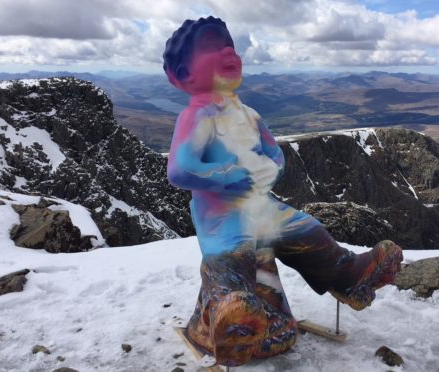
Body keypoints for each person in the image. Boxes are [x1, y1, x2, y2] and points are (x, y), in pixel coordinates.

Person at [163, 16, 403, 367]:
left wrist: (271, 167)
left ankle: (349, 274)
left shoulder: (249, 114)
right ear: (184, 74)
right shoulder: (198, 117)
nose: (228, 51)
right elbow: (179, 169)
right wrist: (227, 176)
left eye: (230, 45)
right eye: (213, 47)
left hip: (263, 206)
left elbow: (274, 151)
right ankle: (235, 316)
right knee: (233, 261)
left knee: (309, 232)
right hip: (223, 219)